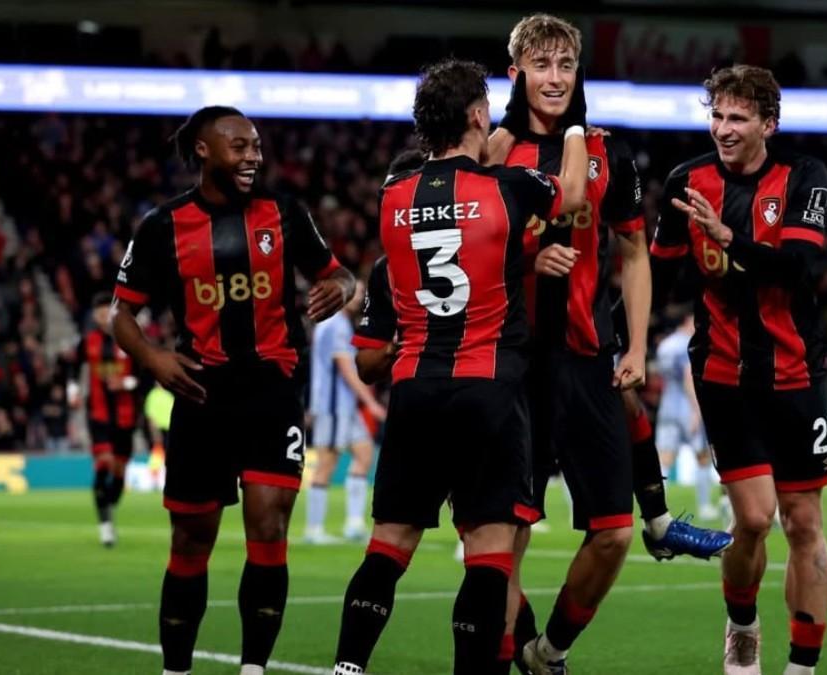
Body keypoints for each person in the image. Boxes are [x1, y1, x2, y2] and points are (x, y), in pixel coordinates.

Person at [332, 57, 588, 675]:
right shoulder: (509, 187)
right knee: (489, 554)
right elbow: (573, 194)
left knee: (389, 545)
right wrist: (574, 127)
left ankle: (346, 668)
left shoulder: (393, 198)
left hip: (416, 385)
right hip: (489, 386)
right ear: (478, 114)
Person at [492, 15, 730, 675]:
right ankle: (513, 649)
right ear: (517, 74)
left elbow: (632, 253)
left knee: (612, 533)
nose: (555, 77)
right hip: (509, 365)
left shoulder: (609, 154)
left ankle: (548, 652)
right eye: (542, 65)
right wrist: (523, 266)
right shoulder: (492, 151)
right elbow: (471, 250)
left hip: (588, 360)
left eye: (566, 65)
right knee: (502, 541)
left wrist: (636, 346)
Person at [110, 105, 354, 675]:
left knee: (269, 525)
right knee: (192, 540)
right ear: (203, 149)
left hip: (272, 390)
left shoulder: (285, 213)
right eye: (240, 147)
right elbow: (122, 314)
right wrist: (151, 357)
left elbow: (338, 274)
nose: (254, 157)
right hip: (199, 394)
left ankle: (253, 668)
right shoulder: (162, 226)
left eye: (257, 147)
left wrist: (340, 289)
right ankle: (176, 669)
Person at [656, 64, 827, 675]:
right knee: (753, 519)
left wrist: (729, 239)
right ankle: (742, 628)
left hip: (796, 373)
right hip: (725, 373)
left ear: (768, 124)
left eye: (738, 118)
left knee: (804, 520)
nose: (724, 129)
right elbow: (656, 271)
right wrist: (625, 341)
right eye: (718, 116)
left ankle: (802, 668)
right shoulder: (686, 180)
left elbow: (798, 266)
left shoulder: (806, 176)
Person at [305, 283, 386, 544]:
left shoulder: (339, 324)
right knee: (327, 463)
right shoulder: (334, 325)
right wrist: (370, 403)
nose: (361, 296)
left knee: (364, 454)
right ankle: (314, 529)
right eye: (357, 292)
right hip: (332, 406)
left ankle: (353, 524)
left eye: (363, 292)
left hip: (345, 406)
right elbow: (345, 369)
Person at [82, 291, 140, 547]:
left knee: (118, 473)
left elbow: (146, 376)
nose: (103, 316)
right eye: (99, 312)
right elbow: (72, 369)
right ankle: (105, 526)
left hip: (125, 417)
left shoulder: (129, 340)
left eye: (107, 310)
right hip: (98, 415)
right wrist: (73, 390)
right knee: (103, 464)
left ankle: (109, 506)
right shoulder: (87, 342)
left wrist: (126, 382)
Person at [655, 312, 718, 521]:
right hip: (685, 406)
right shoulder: (686, 344)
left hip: (667, 405)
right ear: (687, 320)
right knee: (702, 457)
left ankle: (658, 510)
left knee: (664, 459)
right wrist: (696, 410)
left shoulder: (665, 345)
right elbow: (687, 376)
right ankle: (705, 506)